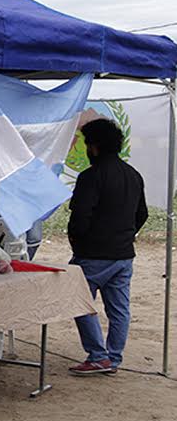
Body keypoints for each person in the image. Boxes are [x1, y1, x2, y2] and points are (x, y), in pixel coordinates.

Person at [68, 118, 147, 375]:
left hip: (92, 254)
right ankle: (113, 358)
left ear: (95, 147)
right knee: (119, 309)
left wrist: (78, 242)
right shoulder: (133, 175)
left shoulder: (91, 177)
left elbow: (80, 217)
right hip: (124, 254)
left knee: (78, 301)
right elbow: (142, 214)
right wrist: (126, 234)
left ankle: (98, 355)